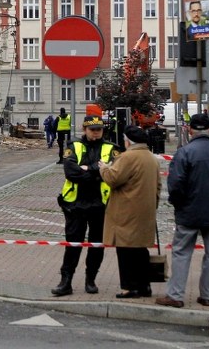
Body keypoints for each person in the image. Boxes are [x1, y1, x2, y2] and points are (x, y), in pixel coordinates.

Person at [156, 113, 209, 308]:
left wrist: (179, 206)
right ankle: (208, 296)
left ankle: (175, 295)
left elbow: (175, 185)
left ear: (190, 130)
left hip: (189, 212)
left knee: (181, 253)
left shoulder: (184, 153)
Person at [51, 115, 119, 297]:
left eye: (99, 130)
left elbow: (114, 172)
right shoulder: (74, 147)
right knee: (73, 244)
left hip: (100, 205)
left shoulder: (111, 149)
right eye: (92, 130)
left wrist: (88, 169)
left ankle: (91, 280)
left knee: (97, 245)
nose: (96, 133)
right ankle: (66, 282)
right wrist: (98, 171)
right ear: (84, 129)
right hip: (76, 205)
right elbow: (71, 173)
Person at [99, 125, 160, 298]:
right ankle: (144, 285)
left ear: (128, 141)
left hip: (126, 210)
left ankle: (129, 287)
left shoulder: (128, 157)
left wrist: (103, 168)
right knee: (141, 250)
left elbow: (113, 179)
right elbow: (158, 185)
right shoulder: (151, 157)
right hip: (145, 210)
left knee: (125, 250)